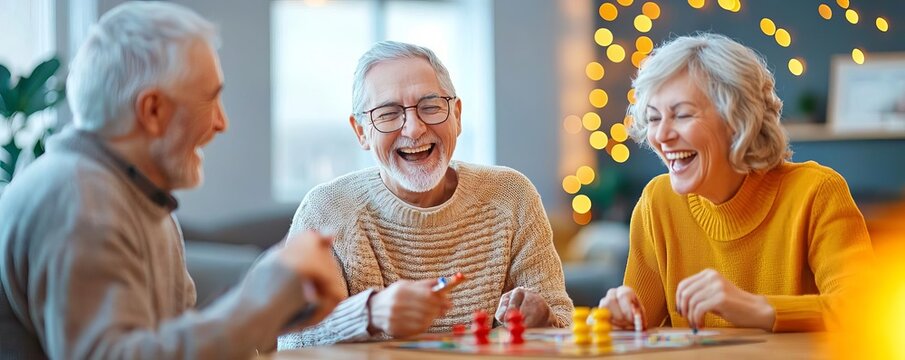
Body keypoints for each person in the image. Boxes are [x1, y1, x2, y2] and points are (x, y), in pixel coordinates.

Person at [0, 3, 344, 359]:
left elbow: (173, 343)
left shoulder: (140, 199)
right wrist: (258, 303)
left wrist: (282, 308)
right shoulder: (79, 199)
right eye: (210, 99)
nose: (222, 122)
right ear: (152, 111)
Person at [277, 41, 573, 348]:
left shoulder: (512, 196)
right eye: (388, 113)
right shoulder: (327, 209)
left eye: (430, 106)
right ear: (361, 132)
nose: (414, 129)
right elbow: (291, 341)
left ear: (456, 115)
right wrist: (369, 314)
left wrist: (543, 320)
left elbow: (563, 324)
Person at [597, 33, 873, 333]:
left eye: (682, 115)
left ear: (738, 120)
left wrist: (754, 307)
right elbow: (639, 329)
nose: (662, 135)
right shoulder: (657, 202)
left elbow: (865, 312)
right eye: (653, 119)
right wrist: (619, 319)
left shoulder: (816, 192)